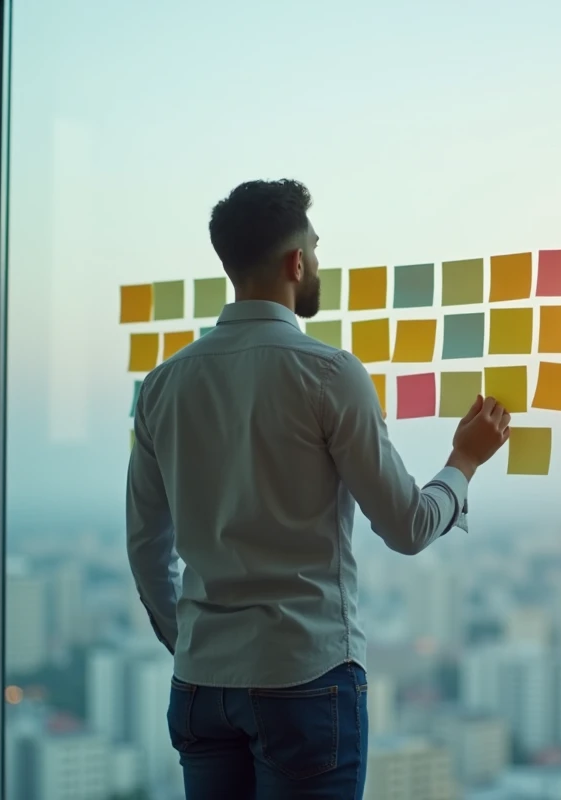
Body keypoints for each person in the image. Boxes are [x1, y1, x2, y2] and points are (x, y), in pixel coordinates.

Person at [126, 178, 511, 799]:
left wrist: (194, 644)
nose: (318, 263)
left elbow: (147, 548)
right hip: (303, 680)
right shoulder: (329, 373)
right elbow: (409, 526)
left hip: (199, 687)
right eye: (315, 247)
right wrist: (464, 461)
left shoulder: (162, 385)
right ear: (296, 262)